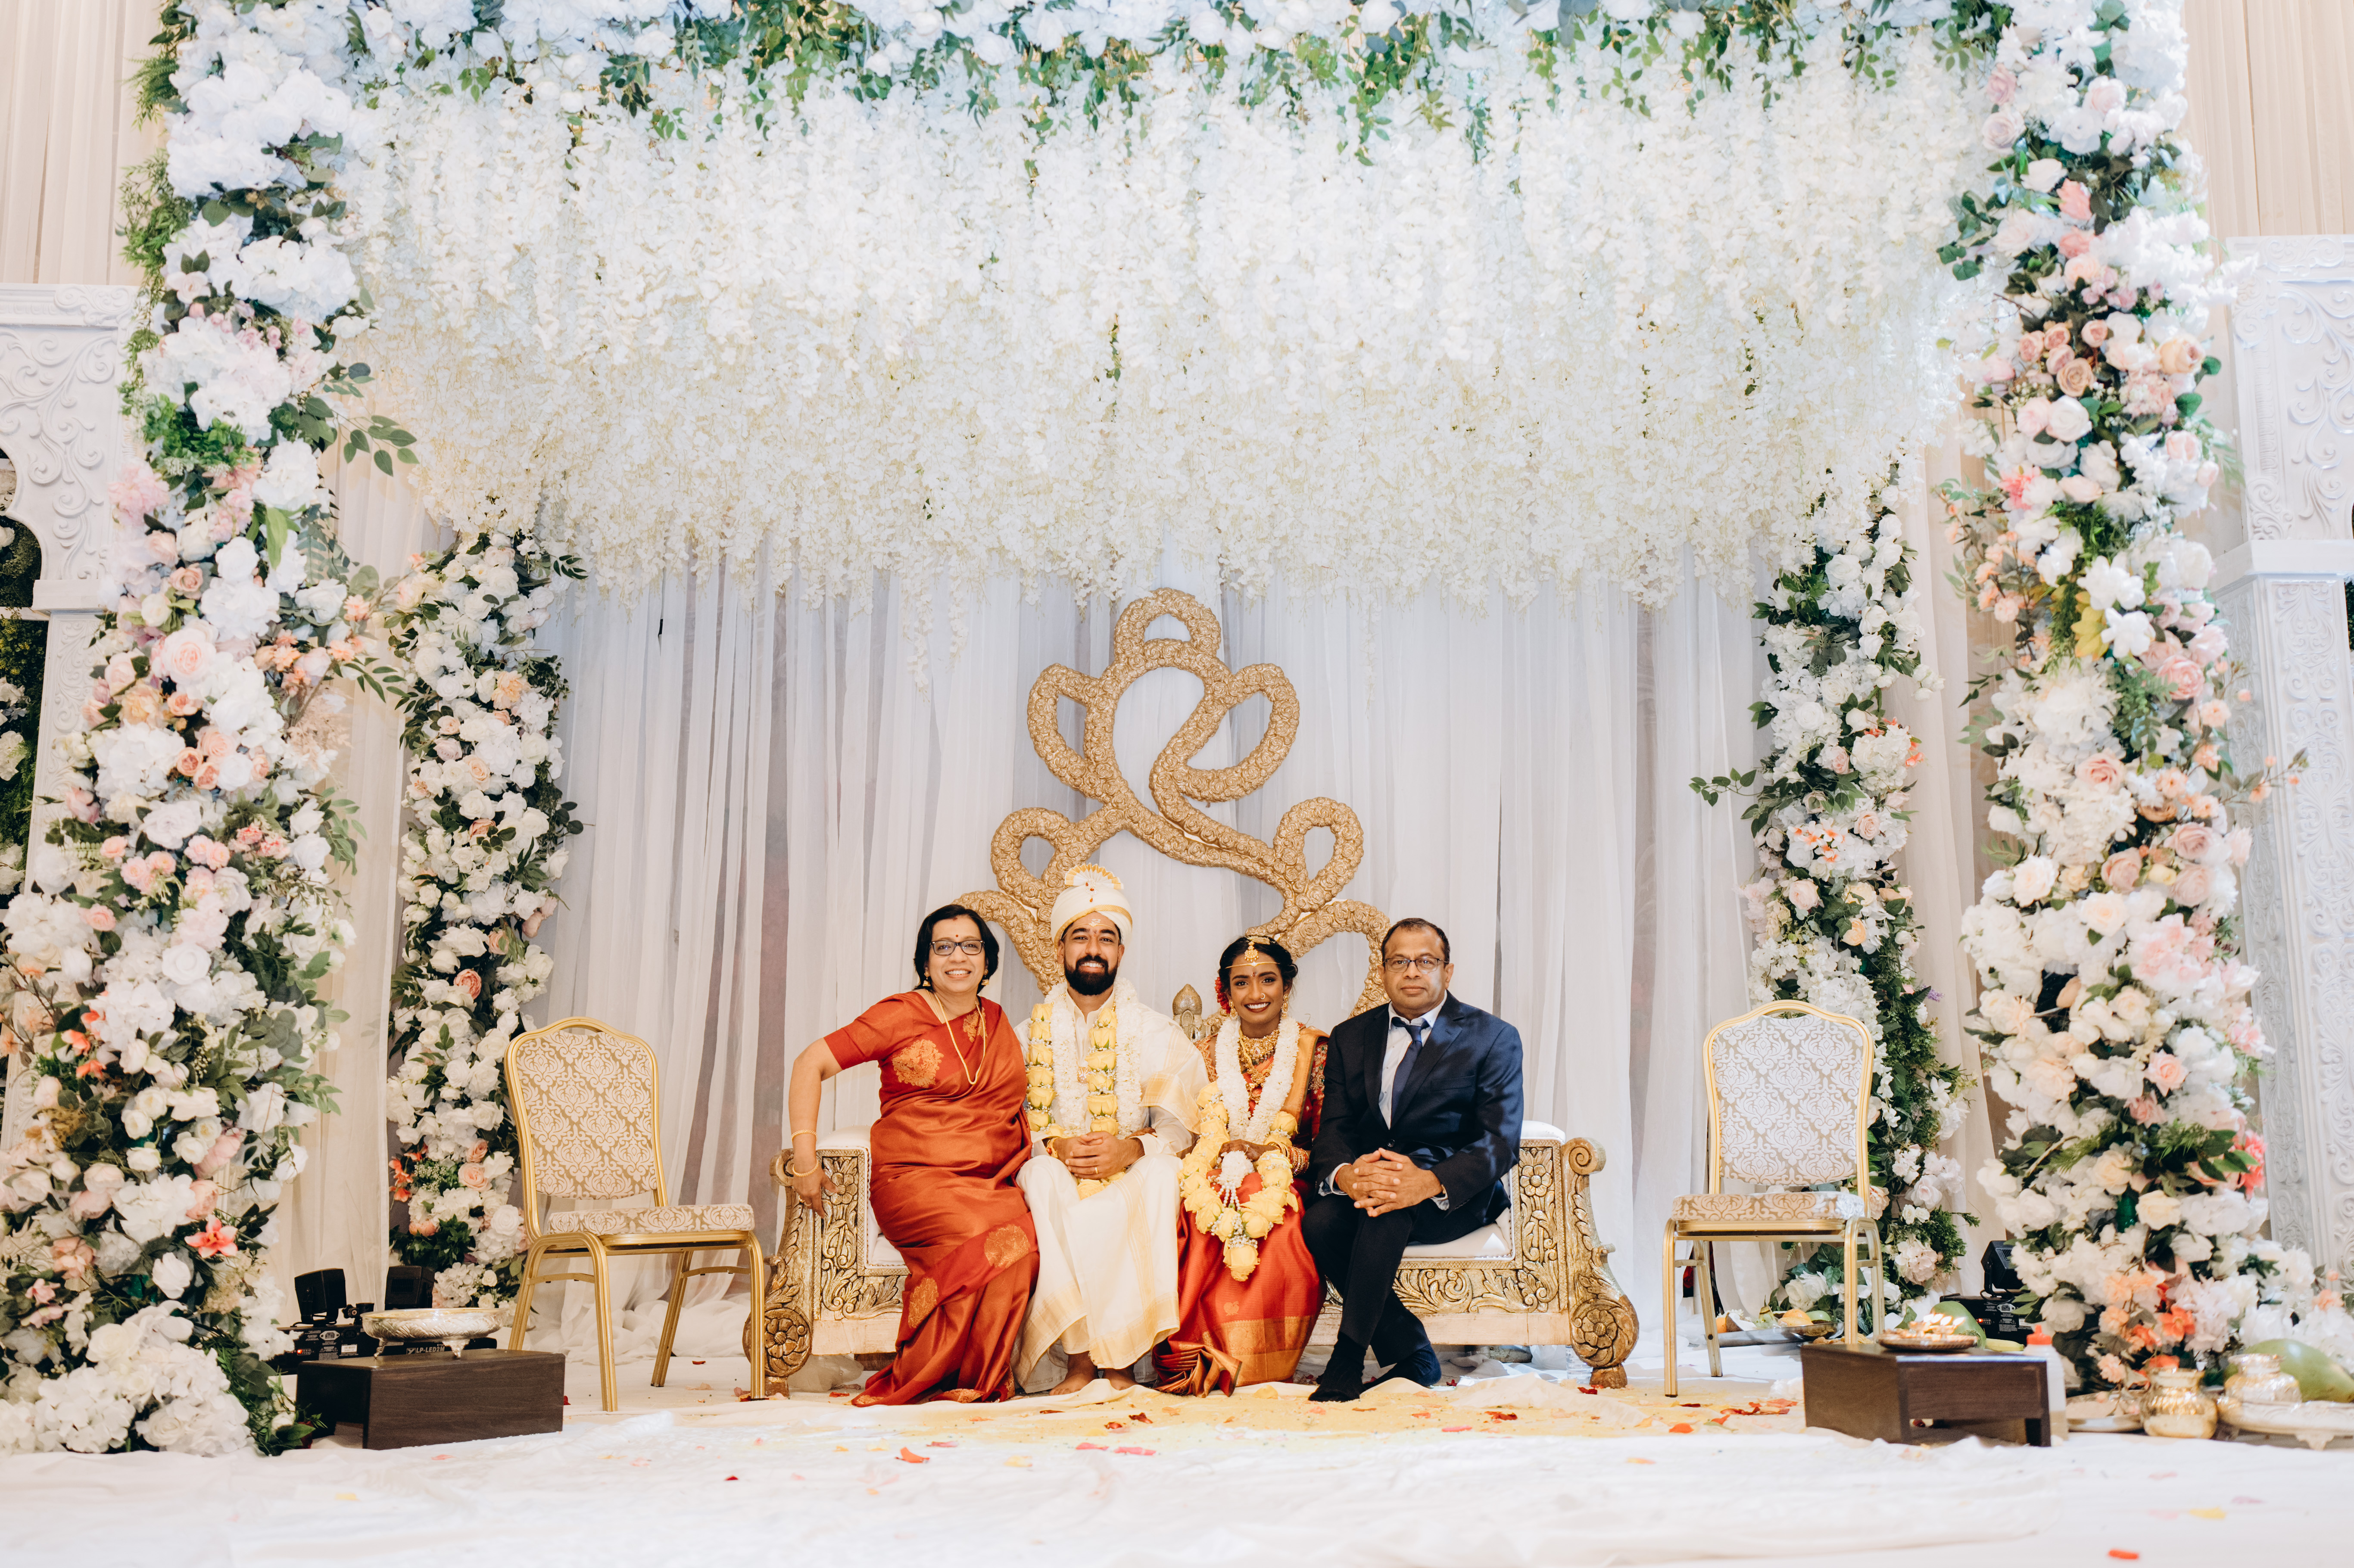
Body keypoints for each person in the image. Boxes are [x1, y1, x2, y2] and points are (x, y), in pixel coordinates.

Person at [784, 904, 1036, 1405]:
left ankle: (977, 1376)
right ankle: (932, 1373)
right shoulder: (900, 1013)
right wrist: (805, 1159)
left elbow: (1009, 1110)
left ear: (987, 961)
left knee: (1021, 1249)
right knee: (980, 1235)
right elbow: (810, 1062)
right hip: (914, 1180)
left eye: (970, 946)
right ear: (926, 961)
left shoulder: (996, 1021)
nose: (958, 957)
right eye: (944, 947)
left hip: (989, 1180)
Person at [1301, 917, 1524, 1402]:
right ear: (1382, 971)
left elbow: (1500, 1140)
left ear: (1447, 970)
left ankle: (1347, 1358)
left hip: (1453, 1194)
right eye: (1399, 961)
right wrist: (1346, 1176)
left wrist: (1428, 1182)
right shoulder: (1350, 1037)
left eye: (1425, 961)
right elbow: (1334, 1127)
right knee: (1320, 1222)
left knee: (1388, 1210)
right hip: (1373, 1178)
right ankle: (1414, 1354)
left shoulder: (1493, 1036)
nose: (1412, 971)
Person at [1015, 865, 1202, 1394]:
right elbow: (1005, 1123)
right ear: (1060, 949)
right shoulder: (1025, 1036)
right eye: (1080, 936)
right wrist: (1052, 1145)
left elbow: (1184, 1130)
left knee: (1161, 1175)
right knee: (1040, 1176)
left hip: (1130, 1176)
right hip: (1058, 1170)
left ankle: (1121, 1361)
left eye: (1106, 938)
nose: (1093, 949)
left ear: (1121, 951)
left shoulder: (1157, 1032)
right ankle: (1079, 1360)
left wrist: (1131, 1149)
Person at [1156, 936, 1330, 1395]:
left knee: (1259, 1198)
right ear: (1225, 992)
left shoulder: (1317, 1052)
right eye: (1242, 982)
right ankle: (1201, 1354)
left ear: (1287, 986)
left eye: (1267, 979)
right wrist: (1215, 1158)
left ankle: (1255, 1360)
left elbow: (1330, 1148)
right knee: (1200, 1202)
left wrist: (1272, 1154)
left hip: (1290, 1179)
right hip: (1211, 1177)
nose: (1256, 993)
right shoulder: (1203, 1054)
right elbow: (1184, 1137)